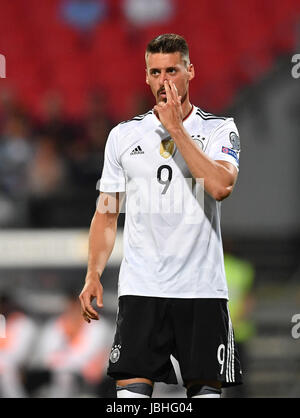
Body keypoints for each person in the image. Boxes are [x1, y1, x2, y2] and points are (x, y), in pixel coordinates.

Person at [79, 33, 243, 398]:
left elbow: (220, 186)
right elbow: (106, 214)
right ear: (147, 76)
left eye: (172, 70)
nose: (163, 80)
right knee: (130, 398)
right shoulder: (124, 136)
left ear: (190, 71)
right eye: (155, 72)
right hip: (142, 289)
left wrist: (176, 130)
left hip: (201, 290)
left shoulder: (219, 129)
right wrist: (93, 274)